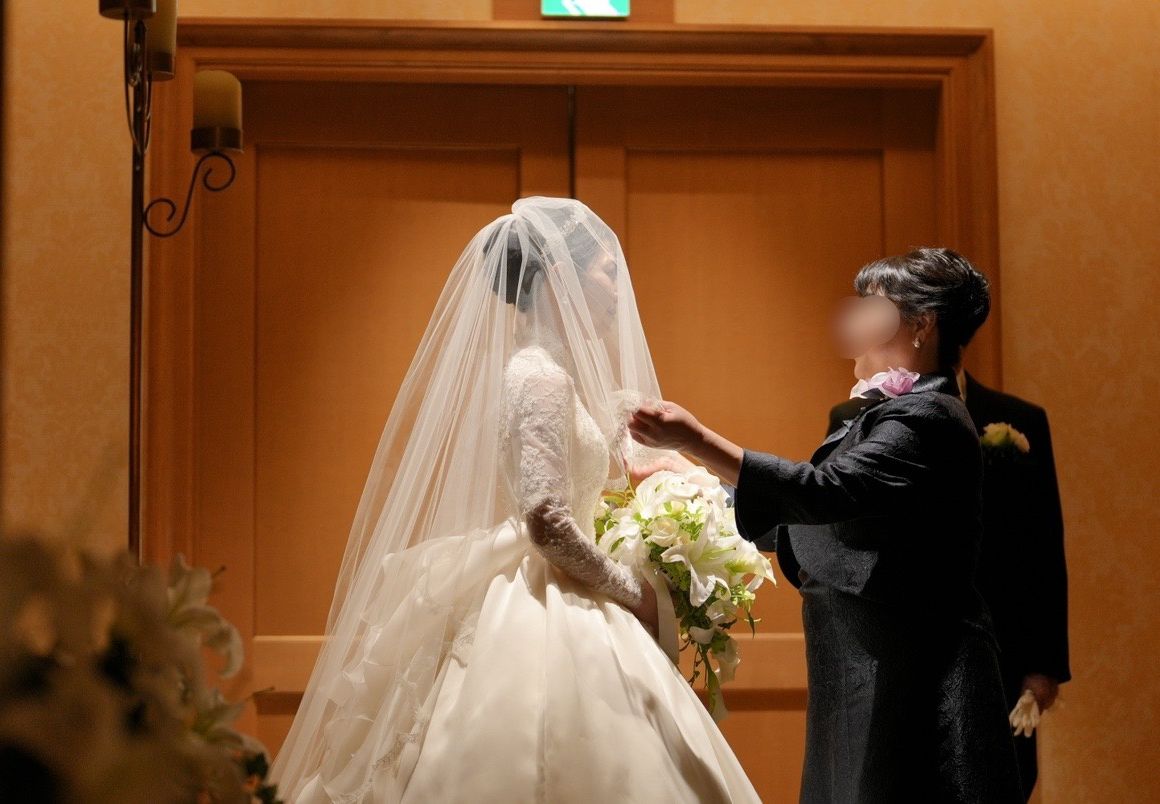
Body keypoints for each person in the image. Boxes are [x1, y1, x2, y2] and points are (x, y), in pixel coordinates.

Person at [269, 197, 759, 802]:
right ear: (560, 276)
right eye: (608, 272)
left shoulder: (561, 375)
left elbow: (605, 461)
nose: (618, 290)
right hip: (546, 596)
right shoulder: (539, 376)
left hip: (568, 587)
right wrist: (635, 593)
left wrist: (674, 478)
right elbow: (547, 521)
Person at [630, 248, 1024, 802]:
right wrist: (696, 481)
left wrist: (697, 440)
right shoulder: (887, 414)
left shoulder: (929, 416)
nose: (851, 319)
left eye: (872, 305)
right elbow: (814, 520)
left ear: (921, 324)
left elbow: (824, 493)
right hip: (867, 669)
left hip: (919, 678)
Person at [957, 367, 1070, 800]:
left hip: (1002, 656)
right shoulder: (861, 417)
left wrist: (1044, 665)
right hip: (905, 661)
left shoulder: (1019, 419)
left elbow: (1043, 546)